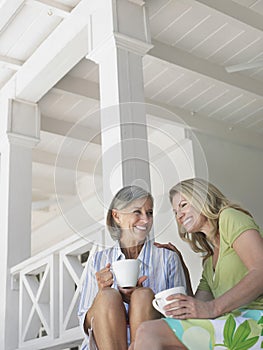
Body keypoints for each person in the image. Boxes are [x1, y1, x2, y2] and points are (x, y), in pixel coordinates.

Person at [130, 178, 263, 350]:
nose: (179, 215)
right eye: (175, 212)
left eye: (183, 205)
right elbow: (197, 307)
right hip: (233, 324)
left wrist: (213, 308)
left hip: (255, 321)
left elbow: (260, 271)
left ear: (203, 198)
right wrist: (181, 264)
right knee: (139, 342)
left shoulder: (229, 217)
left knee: (148, 332)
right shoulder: (209, 264)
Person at [78, 185, 188, 350]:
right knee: (107, 296)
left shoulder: (167, 258)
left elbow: (181, 318)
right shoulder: (98, 261)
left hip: (155, 343)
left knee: (143, 296)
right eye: (137, 212)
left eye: (149, 213)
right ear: (117, 216)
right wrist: (100, 297)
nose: (145, 220)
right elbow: (85, 324)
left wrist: (148, 304)